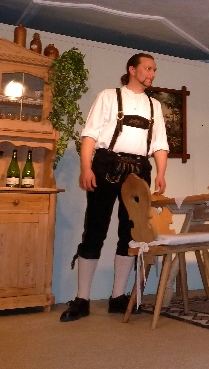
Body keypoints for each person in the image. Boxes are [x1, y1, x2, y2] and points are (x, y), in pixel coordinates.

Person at [60, 53, 169, 322]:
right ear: (132, 69)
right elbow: (90, 135)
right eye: (147, 68)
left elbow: (160, 143)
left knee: (130, 233)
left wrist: (162, 173)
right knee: (95, 228)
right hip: (106, 164)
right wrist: (86, 168)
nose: (152, 73)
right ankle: (82, 299)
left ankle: (118, 297)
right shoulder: (108, 96)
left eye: (154, 69)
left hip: (140, 169)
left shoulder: (154, 105)